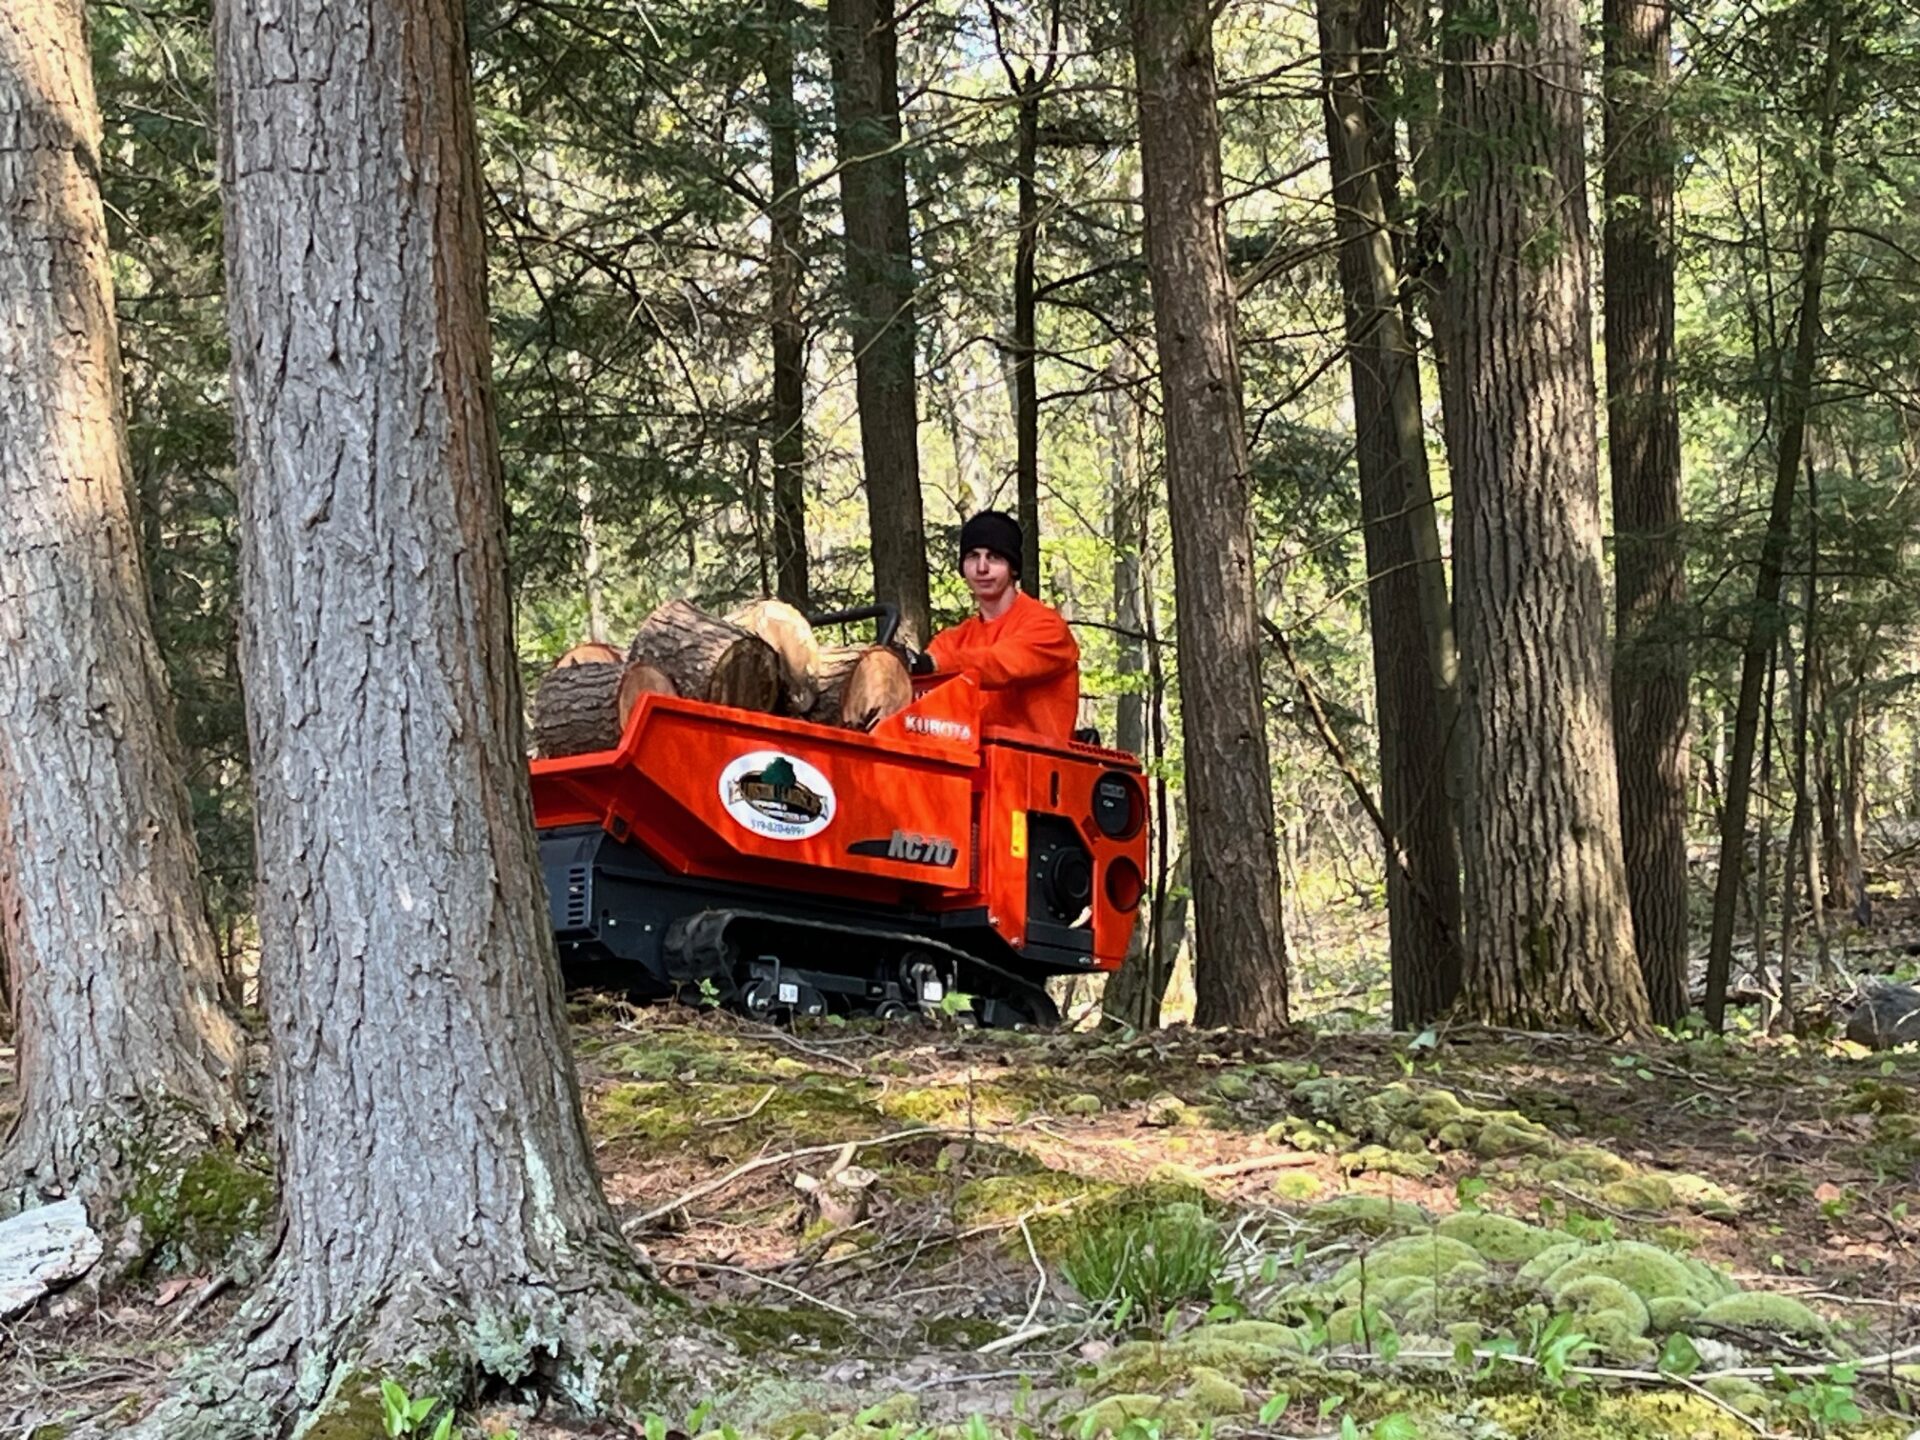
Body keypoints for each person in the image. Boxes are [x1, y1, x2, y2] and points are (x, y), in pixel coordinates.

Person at [920, 510, 1080, 740]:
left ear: (1013, 568)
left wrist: (932, 664)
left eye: (994, 557)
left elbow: (1001, 664)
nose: (982, 568)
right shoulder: (951, 640)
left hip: (1033, 766)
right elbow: (921, 689)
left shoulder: (1047, 627)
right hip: (966, 762)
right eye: (973, 556)